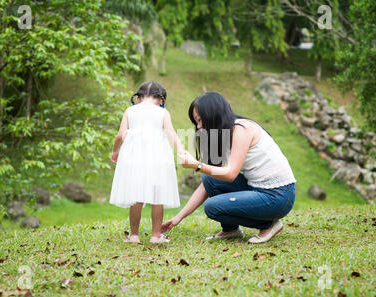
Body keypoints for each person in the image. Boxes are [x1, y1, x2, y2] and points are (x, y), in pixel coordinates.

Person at [162, 92, 296, 243]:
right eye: (196, 122)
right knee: (209, 178)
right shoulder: (220, 136)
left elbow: (231, 174)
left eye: (200, 120)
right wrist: (178, 217)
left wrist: (197, 165)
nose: (198, 127)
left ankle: (269, 224)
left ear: (214, 114)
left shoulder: (241, 129)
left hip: (278, 195)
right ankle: (231, 229)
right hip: (257, 188)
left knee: (212, 207)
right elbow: (206, 184)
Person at [110, 81, 182, 244]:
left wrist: (115, 151)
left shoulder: (130, 111)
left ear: (139, 98)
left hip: (134, 157)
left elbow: (120, 135)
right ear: (161, 100)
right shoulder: (163, 113)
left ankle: (134, 235)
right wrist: (181, 151)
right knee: (158, 195)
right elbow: (171, 133)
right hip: (159, 157)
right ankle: (156, 236)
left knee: (136, 194)